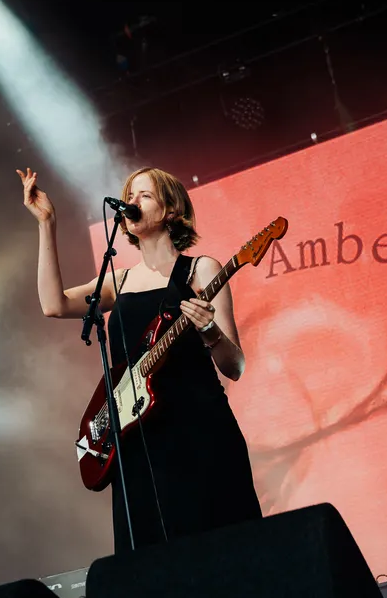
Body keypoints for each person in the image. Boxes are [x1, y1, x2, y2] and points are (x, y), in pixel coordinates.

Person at [17, 165, 262, 553]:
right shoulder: (120, 281)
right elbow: (54, 304)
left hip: (199, 432)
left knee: (224, 549)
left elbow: (235, 366)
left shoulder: (201, 270)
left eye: (144, 195)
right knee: (154, 562)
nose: (131, 202)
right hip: (138, 440)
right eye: (129, 196)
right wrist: (46, 223)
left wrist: (209, 330)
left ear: (170, 209)